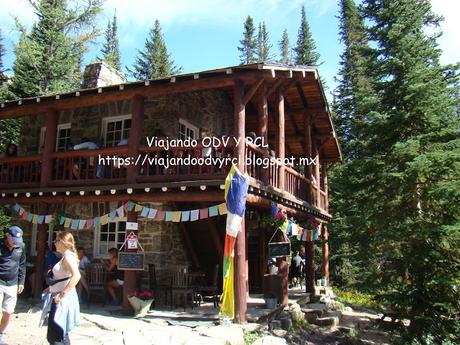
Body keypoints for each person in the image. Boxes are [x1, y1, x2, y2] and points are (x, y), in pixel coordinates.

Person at [41, 231, 80, 345]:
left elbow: (76, 276)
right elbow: (65, 277)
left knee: (56, 336)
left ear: (63, 242)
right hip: (58, 296)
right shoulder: (65, 257)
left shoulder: (68, 257)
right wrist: (50, 289)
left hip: (62, 300)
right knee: (59, 334)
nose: (55, 243)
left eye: (57, 240)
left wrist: (62, 294)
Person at [0, 226, 26, 345]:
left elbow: (22, 264)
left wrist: (21, 282)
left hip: (13, 283)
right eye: (13, 240)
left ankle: (0, 334)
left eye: (18, 242)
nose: (16, 243)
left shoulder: (21, 246)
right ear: (8, 236)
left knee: (8, 312)